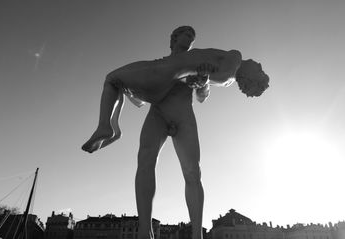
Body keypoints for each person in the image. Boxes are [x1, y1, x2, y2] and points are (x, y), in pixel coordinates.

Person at [82, 26, 269, 239]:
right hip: (158, 113)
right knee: (145, 163)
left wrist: (203, 81)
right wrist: (204, 77)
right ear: (174, 39)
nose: (190, 38)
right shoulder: (167, 63)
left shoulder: (198, 60)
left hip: (182, 113)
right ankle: (145, 230)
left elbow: (201, 96)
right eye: (186, 34)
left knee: (192, 172)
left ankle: (196, 234)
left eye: (192, 36)